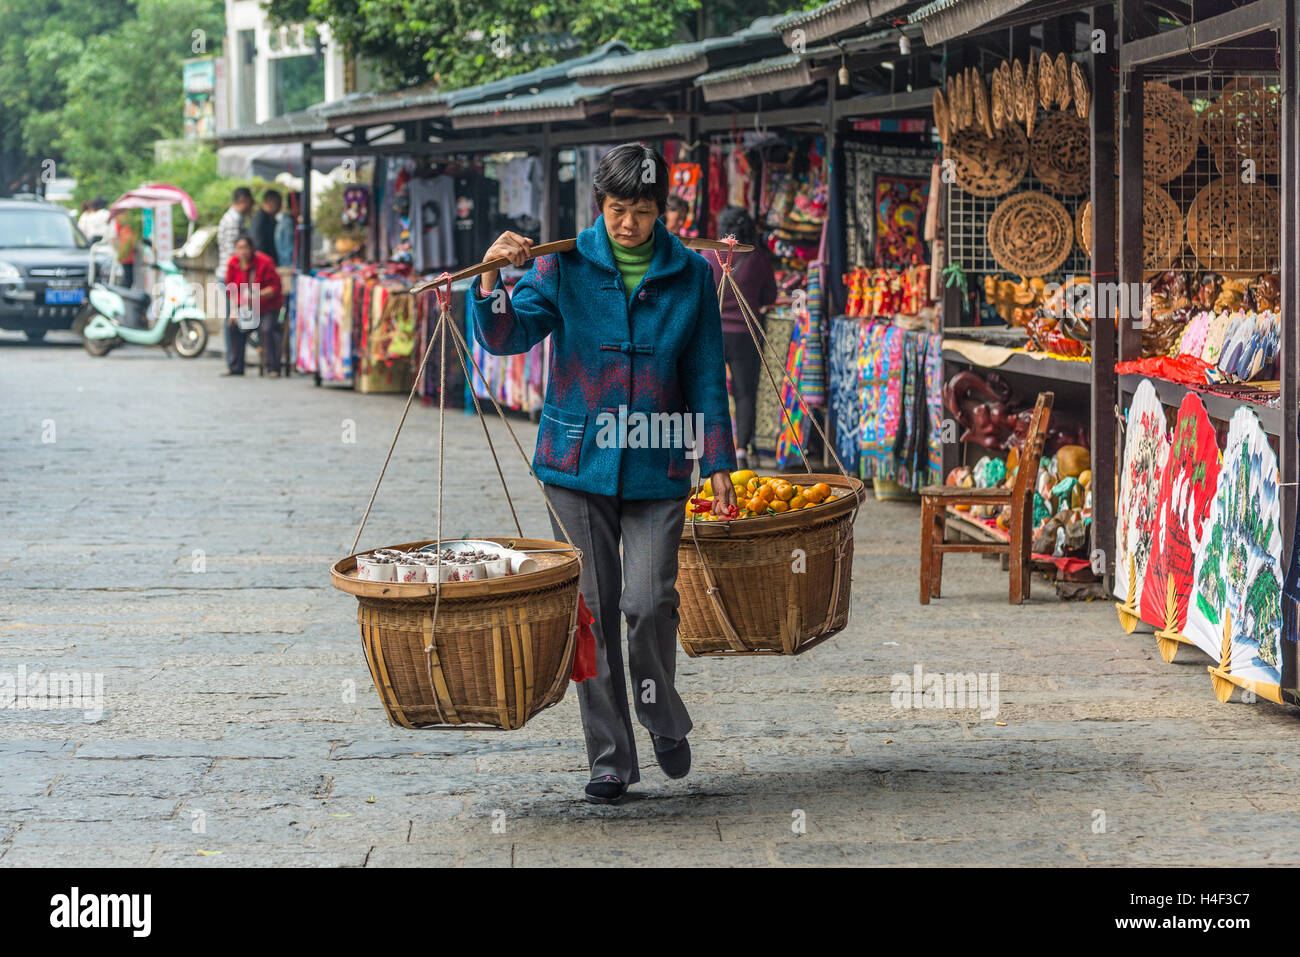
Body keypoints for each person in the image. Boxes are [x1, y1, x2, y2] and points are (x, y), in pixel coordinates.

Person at [470, 143, 737, 806]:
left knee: (649, 604)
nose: (627, 224)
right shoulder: (565, 265)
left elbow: (706, 372)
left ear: (662, 210)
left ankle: (662, 714)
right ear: (601, 205)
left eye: (641, 212)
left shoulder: (693, 274)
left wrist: (721, 460)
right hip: (576, 463)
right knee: (589, 614)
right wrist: (490, 282)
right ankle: (610, 757)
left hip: (659, 459)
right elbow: (505, 338)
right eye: (617, 210)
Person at [707, 206, 778, 470]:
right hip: (746, 335)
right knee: (745, 394)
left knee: (710, 390)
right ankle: (741, 450)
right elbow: (770, 297)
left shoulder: (707, 255)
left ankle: (711, 445)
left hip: (713, 333)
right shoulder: (758, 259)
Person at [221, 234, 283, 377]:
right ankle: (236, 366)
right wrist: (234, 311)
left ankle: (273, 368)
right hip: (247, 308)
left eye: (245, 248)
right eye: (239, 248)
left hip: (268, 307)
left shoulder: (265, 262)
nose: (242, 251)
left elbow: (275, 288)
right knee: (232, 326)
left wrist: (257, 295)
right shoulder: (233, 263)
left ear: (252, 248)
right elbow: (231, 290)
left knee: (267, 329)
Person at [251, 189, 282, 265]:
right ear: (270, 202)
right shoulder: (260, 219)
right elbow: (258, 244)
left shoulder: (269, 218)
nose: (280, 207)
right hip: (264, 263)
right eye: (278, 203)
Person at [112, 211, 137, 289]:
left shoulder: (129, 224)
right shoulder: (119, 223)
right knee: (126, 279)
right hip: (124, 256)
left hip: (129, 255)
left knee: (129, 278)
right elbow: (114, 238)